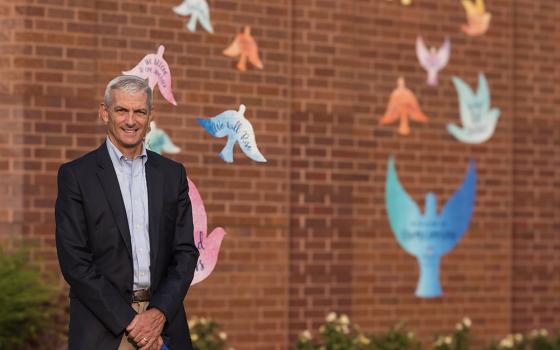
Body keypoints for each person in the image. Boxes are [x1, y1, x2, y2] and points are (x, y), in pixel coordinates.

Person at [55, 75, 199, 350]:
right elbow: (75, 261)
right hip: (103, 326)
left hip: (164, 324)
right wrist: (131, 322)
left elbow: (185, 253)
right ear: (104, 113)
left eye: (139, 112)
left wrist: (158, 313)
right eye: (121, 110)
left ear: (150, 117)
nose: (130, 121)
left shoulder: (172, 175)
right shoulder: (76, 176)